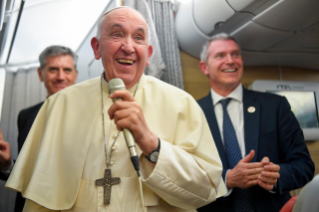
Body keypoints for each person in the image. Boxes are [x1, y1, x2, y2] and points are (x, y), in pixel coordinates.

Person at [5, 7, 226, 212]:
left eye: (138, 38)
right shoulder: (58, 105)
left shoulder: (182, 104)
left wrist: (151, 144)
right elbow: (38, 200)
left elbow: (206, 189)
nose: (128, 47)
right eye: (117, 35)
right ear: (96, 47)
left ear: (148, 54)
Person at [197, 33, 315, 212]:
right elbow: (183, 175)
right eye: (220, 55)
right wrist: (227, 179)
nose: (230, 60)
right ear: (204, 67)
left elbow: (304, 165)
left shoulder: (275, 106)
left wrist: (276, 176)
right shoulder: (192, 113)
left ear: (242, 61)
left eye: (235, 54)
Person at [0, 45, 78, 212]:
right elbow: (27, 171)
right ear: (40, 74)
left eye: (67, 70)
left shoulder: (93, 114)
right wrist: (7, 166)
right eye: (53, 69)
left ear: (75, 75)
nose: (60, 76)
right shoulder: (25, 116)